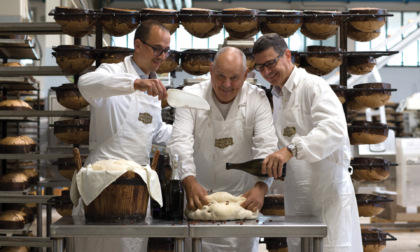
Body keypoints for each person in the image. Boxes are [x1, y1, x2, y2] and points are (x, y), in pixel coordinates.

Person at [68, 19, 172, 252]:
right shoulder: (113, 72)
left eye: (166, 51)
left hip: (136, 191)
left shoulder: (155, 85)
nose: (162, 56)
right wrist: (134, 83)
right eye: (157, 49)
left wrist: (188, 132)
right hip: (102, 187)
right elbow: (85, 83)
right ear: (138, 45)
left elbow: (153, 130)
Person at [252, 33, 362, 252]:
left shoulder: (313, 86)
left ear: (287, 55)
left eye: (270, 63)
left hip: (328, 195)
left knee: (332, 247)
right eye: (260, 67)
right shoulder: (277, 95)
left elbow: (334, 129)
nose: (266, 72)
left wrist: (291, 150)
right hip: (298, 196)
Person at [167, 46, 278, 252]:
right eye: (220, 76)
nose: (226, 84)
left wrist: (262, 187)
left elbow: (266, 146)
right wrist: (189, 181)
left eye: (234, 78)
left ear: (246, 75)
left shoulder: (257, 99)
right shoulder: (190, 96)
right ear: (210, 70)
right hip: (198, 201)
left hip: (242, 204)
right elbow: (180, 143)